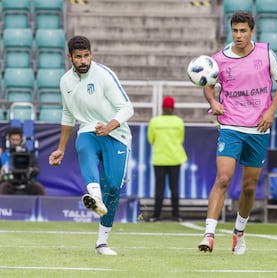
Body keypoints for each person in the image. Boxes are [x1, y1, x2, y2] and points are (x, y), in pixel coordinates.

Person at [198, 11, 277, 255]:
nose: (238, 35)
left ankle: (239, 232)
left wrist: (270, 111)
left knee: (249, 187)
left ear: (252, 32)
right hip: (230, 126)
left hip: (258, 128)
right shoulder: (219, 59)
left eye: (243, 31)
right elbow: (208, 85)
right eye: (235, 30)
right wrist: (213, 101)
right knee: (223, 178)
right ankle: (209, 234)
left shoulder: (266, 53)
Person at [48, 35, 134, 255]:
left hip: (117, 134)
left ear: (91, 54)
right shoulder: (65, 81)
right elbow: (68, 115)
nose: (83, 60)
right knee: (84, 146)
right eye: (78, 57)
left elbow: (127, 108)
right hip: (88, 130)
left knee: (114, 187)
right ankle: (95, 197)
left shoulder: (104, 75)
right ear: (70, 57)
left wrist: (110, 126)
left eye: (86, 56)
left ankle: (101, 242)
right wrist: (61, 148)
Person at [147, 96, 188, 222]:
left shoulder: (155, 122)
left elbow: (150, 139)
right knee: (174, 187)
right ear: (173, 108)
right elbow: (181, 139)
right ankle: (176, 215)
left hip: (159, 158)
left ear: (162, 107)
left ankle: (156, 215)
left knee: (159, 188)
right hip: (175, 158)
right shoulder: (179, 122)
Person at [0, 127, 45, 195]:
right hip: (9, 183)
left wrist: (32, 171)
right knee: (2, 188)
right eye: (13, 140)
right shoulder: (3, 156)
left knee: (39, 188)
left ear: (21, 140)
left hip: (26, 182)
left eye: (17, 140)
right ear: (9, 140)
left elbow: (36, 169)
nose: (15, 142)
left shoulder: (28, 155)